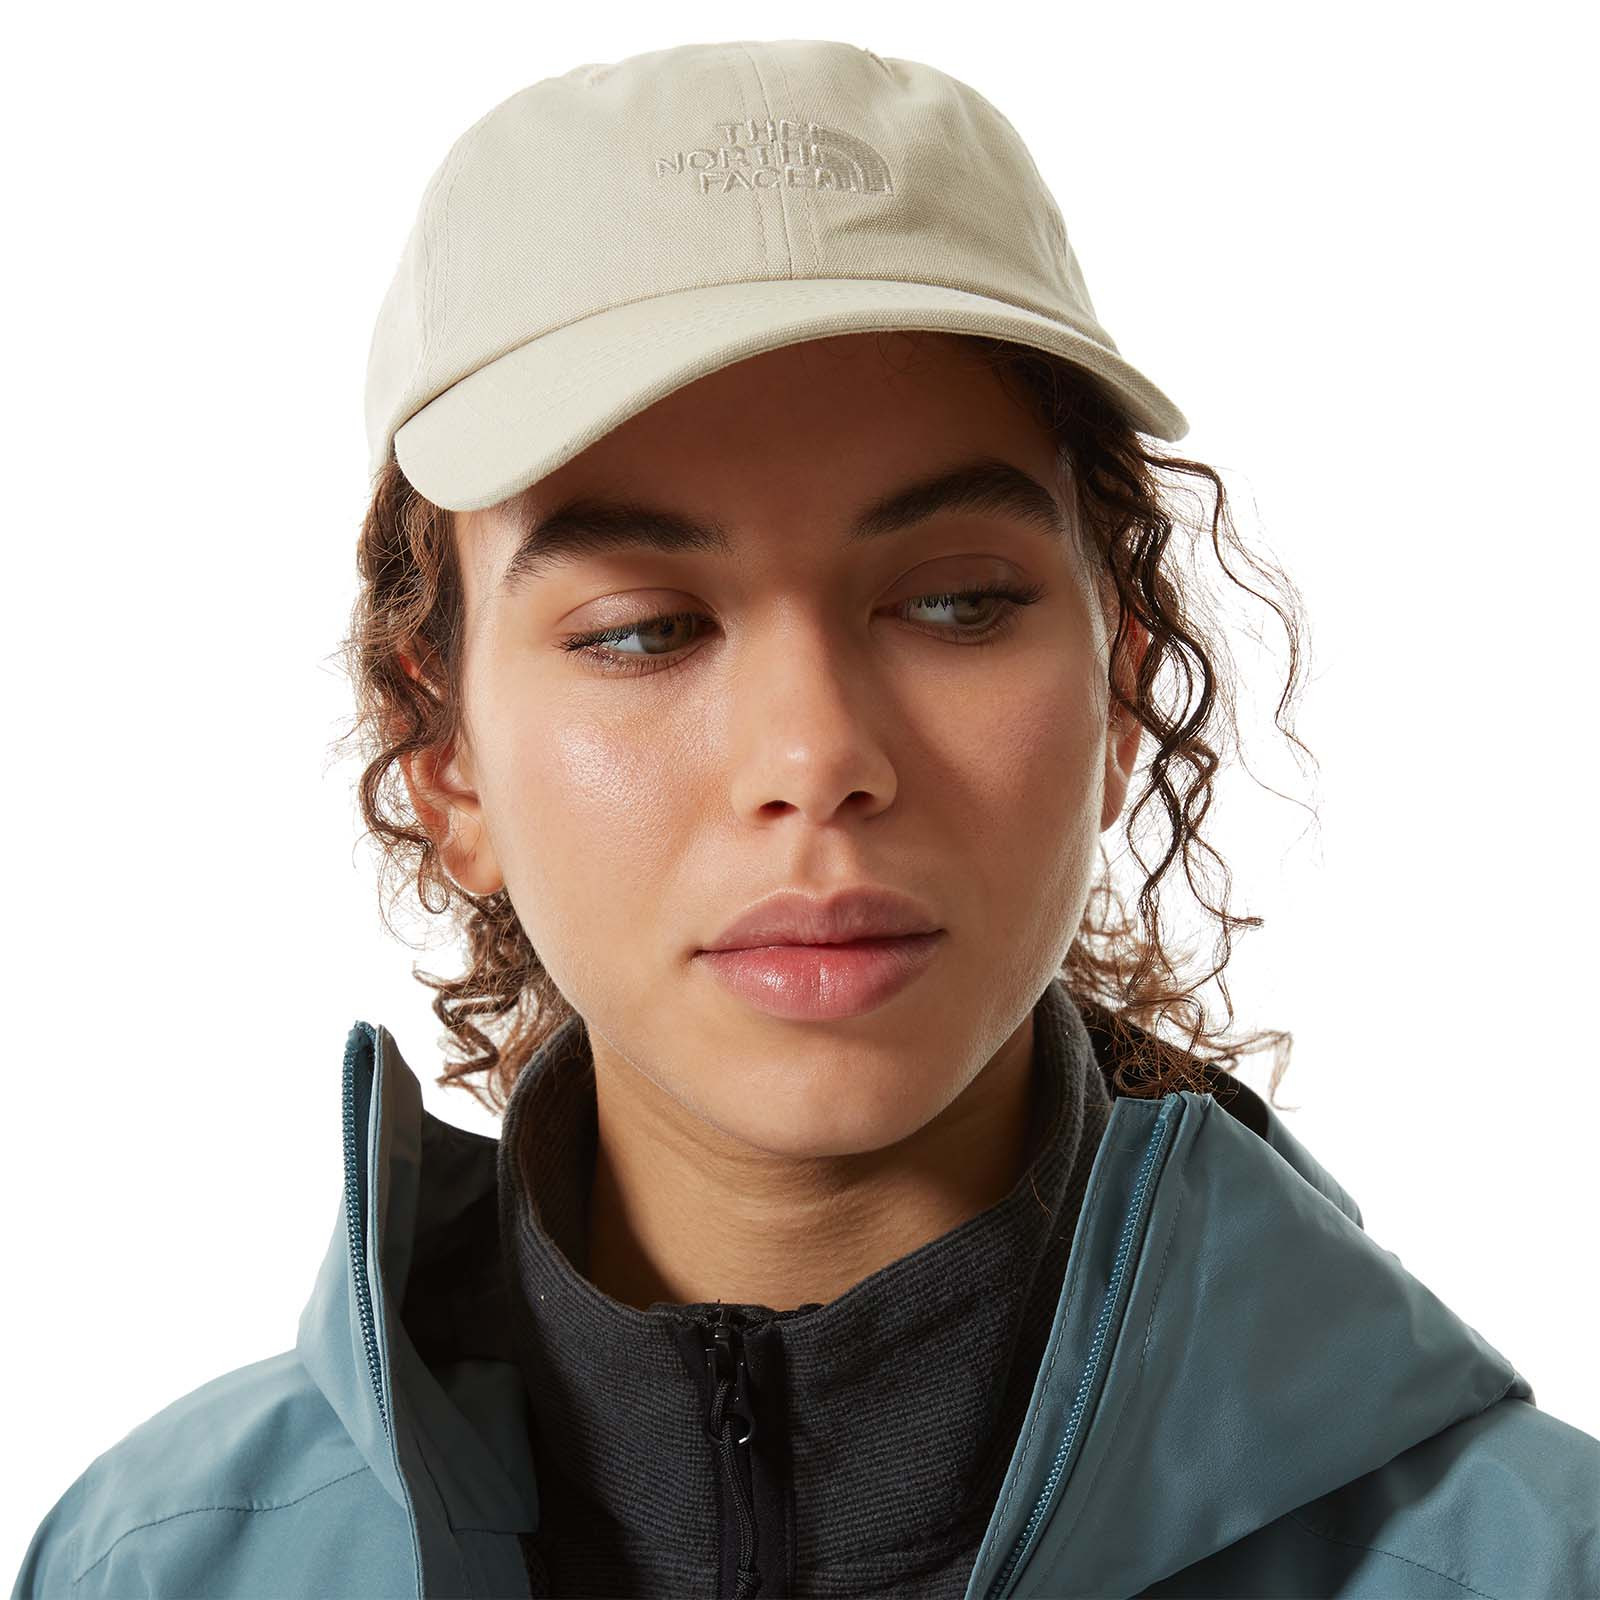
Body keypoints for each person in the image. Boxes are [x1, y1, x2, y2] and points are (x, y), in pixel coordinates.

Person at [13, 37, 1598, 1600]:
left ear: (1122, 689)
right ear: (444, 757)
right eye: (644, 630)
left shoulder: (1529, 1566)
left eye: (958, 603)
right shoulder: (158, 1570)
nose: (816, 755)